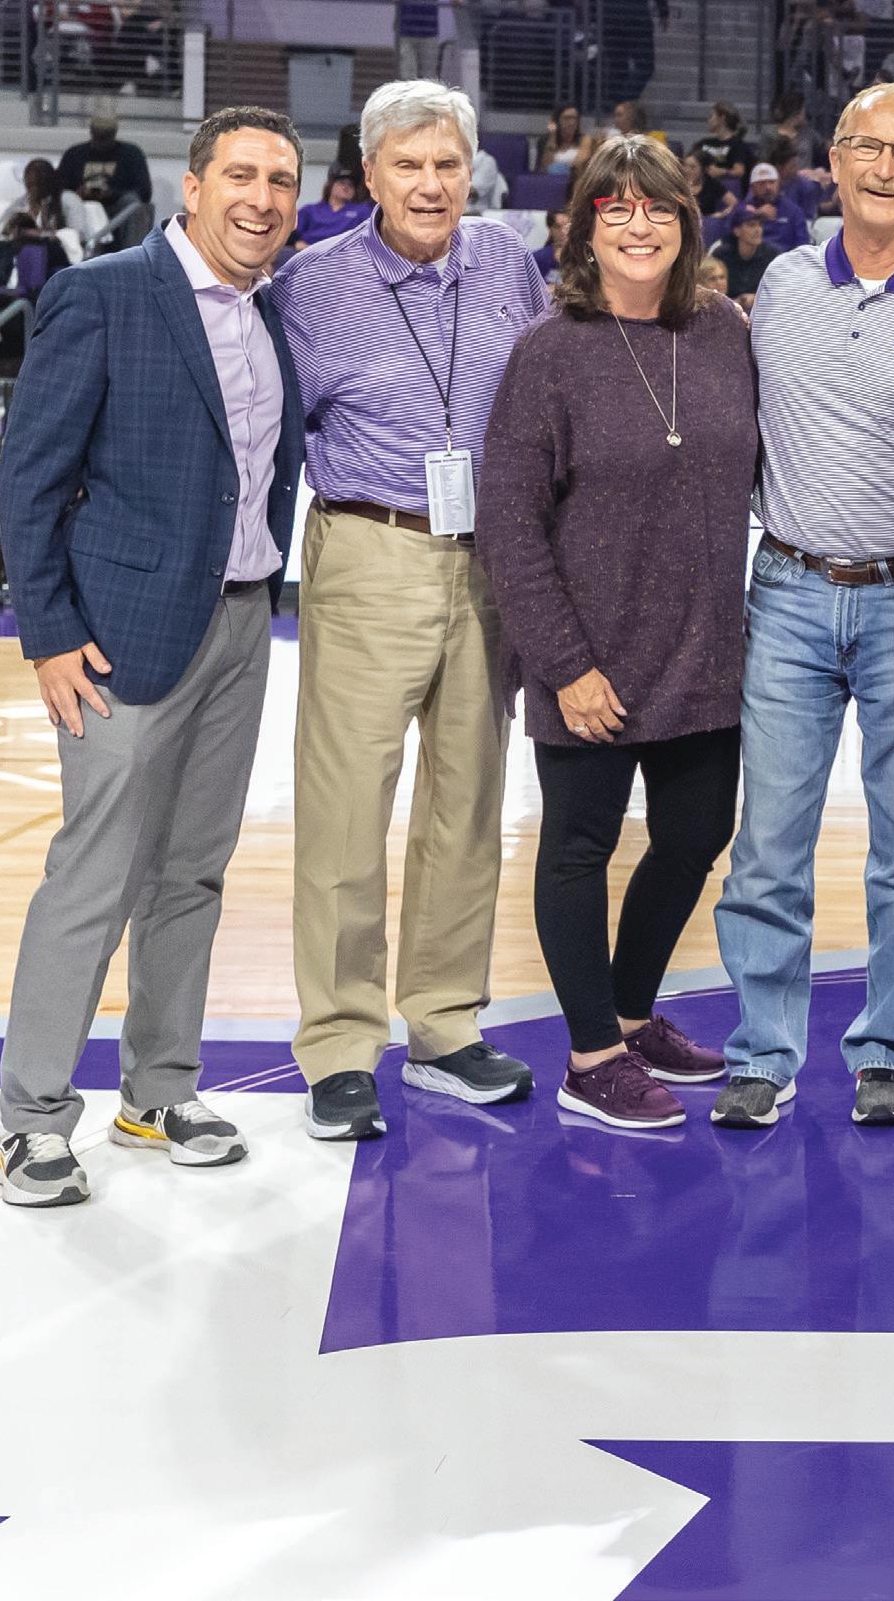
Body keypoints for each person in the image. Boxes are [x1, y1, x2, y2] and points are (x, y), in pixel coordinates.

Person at [0, 107, 306, 1206]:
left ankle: (157, 1088)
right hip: (119, 634)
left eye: (281, 179)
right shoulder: (106, 293)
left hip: (240, 622)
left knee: (192, 871)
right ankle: (27, 1118)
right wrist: (48, 632)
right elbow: (31, 475)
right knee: (96, 873)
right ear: (193, 184)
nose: (262, 197)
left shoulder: (271, 315)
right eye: (242, 175)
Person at [269, 80, 549, 1143]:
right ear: (369, 173)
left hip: (489, 559)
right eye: (408, 164)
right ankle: (341, 1043)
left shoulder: (507, 263)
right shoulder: (309, 285)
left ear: (468, 169)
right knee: (346, 809)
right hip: (367, 547)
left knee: (467, 804)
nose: (430, 184)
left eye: (446, 164)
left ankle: (442, 1023)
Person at [476, 139, 759, 1128]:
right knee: (577, 849)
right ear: (582, 226)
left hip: (706, 650)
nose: (639, 225)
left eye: (659, 208)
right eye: (616, 207)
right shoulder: (547, 352)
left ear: (686, 224)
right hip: (588, 655)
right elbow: (508, 521)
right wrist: (564, 664)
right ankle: (590, 1054)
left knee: (693, 835)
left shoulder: (722, 329)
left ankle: (634, 1014)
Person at [712, 83, 894, 1130]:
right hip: (785, 587)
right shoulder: (777, 282)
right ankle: (763, 1052)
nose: (882, 165)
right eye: (864, 145)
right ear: (831, 158)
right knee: (768, 839)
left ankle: (886, 1050)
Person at [57, 112, 153, 247]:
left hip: (117, 209)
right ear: (91, 132)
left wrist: (111, 194)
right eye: (99, 135)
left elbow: (144, 192)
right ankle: (74, 252)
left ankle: (133, 253)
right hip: (81, 208)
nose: (101, 140)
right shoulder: (75, 154)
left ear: (114, 133)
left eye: (105, 136)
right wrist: (77, 193)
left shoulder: (131, 154)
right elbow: (59, 187)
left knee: (133, 203)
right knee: (67, 198)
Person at [711, 206, 778, 310]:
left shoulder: (772, 255)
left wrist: (757, 298)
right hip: (726, 310)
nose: (758, 230)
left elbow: (778, 290)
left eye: (760, 225)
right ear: (737, 231)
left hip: (762, 310)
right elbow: (710, 290)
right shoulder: (720, 254)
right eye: (751, 225)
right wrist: (734, 303)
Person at [295, 168, 372, 245]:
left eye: (351, 185)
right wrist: (296, 243)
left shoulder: (362, 210)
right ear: (330, 186)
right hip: (308, 250)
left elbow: (371, 234)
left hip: (343, 252)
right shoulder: (309, 210)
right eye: (341, 183)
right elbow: (293, 233)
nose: (346, 187)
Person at [531, 208, 571, 282]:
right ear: (551, 229)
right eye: (557, 227)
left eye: (567, 226)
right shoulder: (537, 258)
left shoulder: (584, 258)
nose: (563, 232)